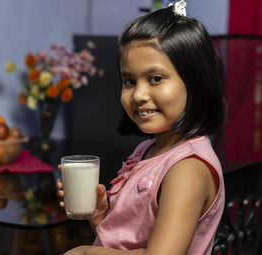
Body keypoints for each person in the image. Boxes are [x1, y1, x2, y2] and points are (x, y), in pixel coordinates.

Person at [57, 1, 226, 254]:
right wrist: (103, 219)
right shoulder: (149, 149)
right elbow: (131, 243)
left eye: (155, 79)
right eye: (129, 81)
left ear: (195, 83)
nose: (138, 95)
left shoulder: (188, 169)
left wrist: (87, 252)